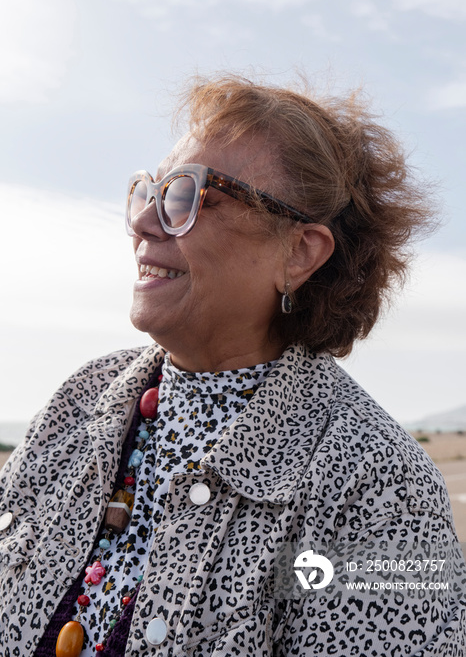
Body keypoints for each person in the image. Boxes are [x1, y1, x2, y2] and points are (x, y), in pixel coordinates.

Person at [0, 74, 465, 657]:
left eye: (189, 196)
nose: (144, 223)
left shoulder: (378, 484)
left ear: (299, 253)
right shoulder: (81, 400)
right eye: (148, 192)